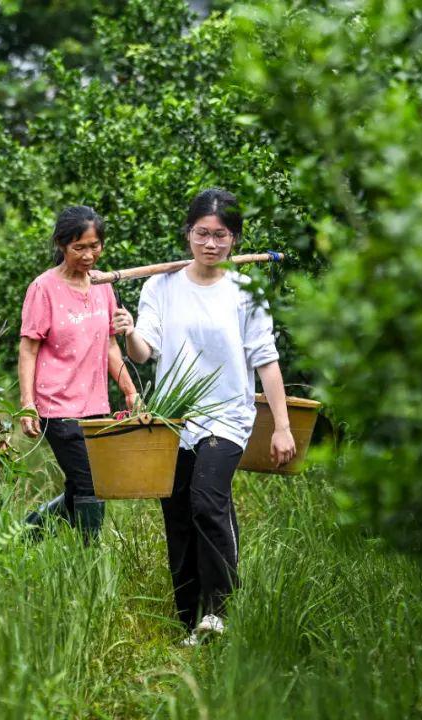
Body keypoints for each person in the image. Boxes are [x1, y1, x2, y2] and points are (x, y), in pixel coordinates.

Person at [113, 188, 296, 644]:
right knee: (177, 513)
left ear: (234, 239)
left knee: (207, 500)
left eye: (221, 235)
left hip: (228, 415)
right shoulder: (161, 287)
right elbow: (145, 351)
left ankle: (219, 610)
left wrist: (282, 426)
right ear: (188, 233)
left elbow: (266, 359)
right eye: (202, 234)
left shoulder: (246, 291)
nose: (210, 244)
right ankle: (189, 618)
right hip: (173, 418)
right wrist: (129, 332)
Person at [18, 205, 138, 542]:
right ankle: (90, 556)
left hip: (95, 404)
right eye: (79, 247)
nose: (88, 255)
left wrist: (129, 390)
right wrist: (27, 404)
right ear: (62, 244)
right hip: (57, 404)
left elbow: (110, 345)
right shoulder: (43, 288)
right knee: (90, 483)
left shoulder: (102, 284)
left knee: (80, 484)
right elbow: (28, 349)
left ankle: (26, 535)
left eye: (94, 246)